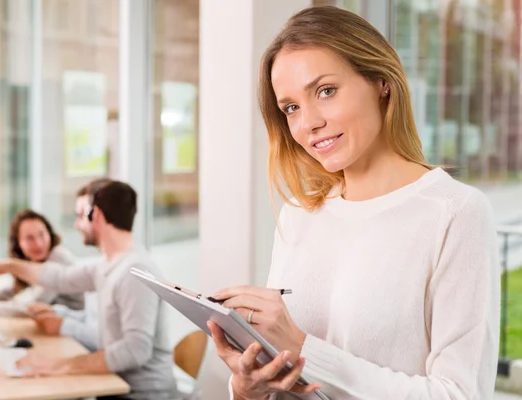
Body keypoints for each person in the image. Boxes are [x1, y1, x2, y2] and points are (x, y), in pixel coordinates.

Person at [207, 6, 499, 400]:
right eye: (291, 107)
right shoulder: (298, 214)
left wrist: (304, 349)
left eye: (325, 91)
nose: (308, 122)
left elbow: (460, 394)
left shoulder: (454, 213)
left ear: (381, 82)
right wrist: (249, 389)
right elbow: (285, 373)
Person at [0, 180, 180, 400]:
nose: (77, 225)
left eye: (80, 215)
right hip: (115, 387)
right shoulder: (108, 265)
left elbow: (135, 350)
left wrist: (60, 365)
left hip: (140, 395)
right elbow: (59, 278)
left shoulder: (135, 271)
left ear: (94, 214)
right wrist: (7, 266)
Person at [0, 209, 84, 311]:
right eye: (30, 238)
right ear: (18, 243)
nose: (38, 244)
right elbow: (14, 289)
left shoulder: (59, 258)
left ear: (49, 234)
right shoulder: (34, 261)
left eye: (42, 234)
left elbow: (34, 305)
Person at [28, 291, 99, 352]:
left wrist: (64, 326)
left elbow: (104, 340)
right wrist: (55, 312)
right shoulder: (100, 283)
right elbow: (89, 317)